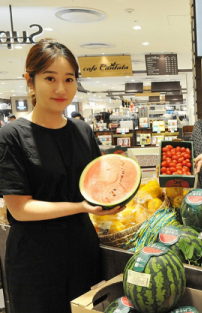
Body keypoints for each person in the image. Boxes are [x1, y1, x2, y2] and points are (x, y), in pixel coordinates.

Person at [0, 39, 124, 312]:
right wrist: (81, 207)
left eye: (69, 79)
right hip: (36, 260)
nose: (60, 88)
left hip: (82, 251)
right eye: (49, 78)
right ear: (30, 81)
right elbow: (20, 209)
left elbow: (98, 186)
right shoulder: (11, 136)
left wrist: (115, 196)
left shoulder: (83, 131)